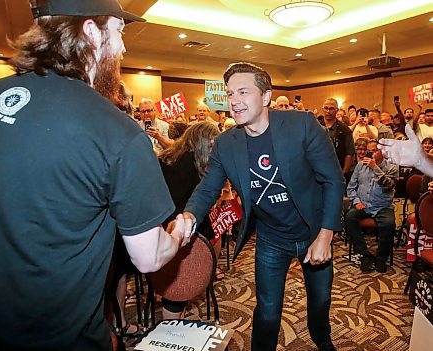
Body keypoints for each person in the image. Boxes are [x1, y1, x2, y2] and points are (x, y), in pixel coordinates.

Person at [0, 1, 190, 350]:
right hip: (52, 336)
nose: (124, 47)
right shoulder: (116, 131)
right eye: (118, 31)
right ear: (90, 32)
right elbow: (149, 256)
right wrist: (178, 234)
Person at [182, 62, 345, 351]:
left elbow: (333, 180)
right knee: (268, 310)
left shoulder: (302, 125)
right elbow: (208, 188)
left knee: (320, 300)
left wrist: (325, 236)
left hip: (313, 232)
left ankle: (321, 337)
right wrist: (188, 215)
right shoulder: (225, 143)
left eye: (243, 91)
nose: (234, 100)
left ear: (266, 97)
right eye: (231, 93)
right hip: (271, 239)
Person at [158, 121, 220, 320]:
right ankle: (170, 331)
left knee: (177, 284)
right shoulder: (187, 164)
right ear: (201, 143)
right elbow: (176, 203)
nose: (214, 150)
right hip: (179, 228)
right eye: (211, 145)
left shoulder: (174, 156)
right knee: (178, 287)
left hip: (170, 227)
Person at [345, 140, 398, 273]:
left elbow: (389, 185)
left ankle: (381, 258)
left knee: (389, 224)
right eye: (368, 150)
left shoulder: (392, 167)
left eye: (373, 150)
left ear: (382, 152)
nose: (369, 153)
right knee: (350, 218)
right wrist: (356, 201)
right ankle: (365, 254)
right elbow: (351, 187)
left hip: (382, 206)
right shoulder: (359, 166)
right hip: (363, 205)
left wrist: (376, 168)